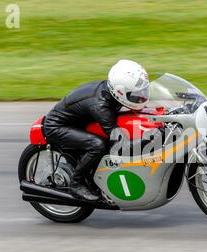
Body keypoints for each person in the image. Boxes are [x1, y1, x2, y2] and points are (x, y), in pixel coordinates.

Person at [43, 59, 150, 201]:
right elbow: (119, 141)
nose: (140, 97)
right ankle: (76, 183)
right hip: (57, 126)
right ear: (120, 92)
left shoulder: (111, 93)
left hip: (79, 123)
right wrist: (146, 141)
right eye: (135, 94)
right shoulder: (100, 105)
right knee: (98, 145)